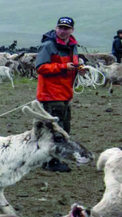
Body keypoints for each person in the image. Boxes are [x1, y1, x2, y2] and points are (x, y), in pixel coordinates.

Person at [36, 16, 86, 172]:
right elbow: (41, 67)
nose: (63, 31)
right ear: (56, 28)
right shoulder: (48, 46)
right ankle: (50, 162)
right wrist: (64, 66)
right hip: (51, 95)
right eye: (61, 28)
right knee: (55, 130)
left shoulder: (72, 46)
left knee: (63, 129)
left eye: (67, 29)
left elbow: (72, 66)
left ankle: (54, 158)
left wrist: (79, 70)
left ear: (72, 30)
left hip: (65, 94)